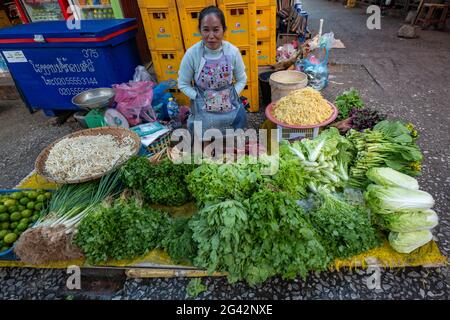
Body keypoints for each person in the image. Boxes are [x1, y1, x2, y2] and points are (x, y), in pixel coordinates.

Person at [178, 6, 247, 140]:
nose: (211, 36)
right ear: (200, 30)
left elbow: (242, 79)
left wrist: (231, 96)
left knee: (234, 138)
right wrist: (199, 98)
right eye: (206, 30)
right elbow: (183, 84)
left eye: (216, 30)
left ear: (224, 30)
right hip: (203, 105)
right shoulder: (192, 54)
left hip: (229, 104)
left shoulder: (232, 52)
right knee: (206, 143)